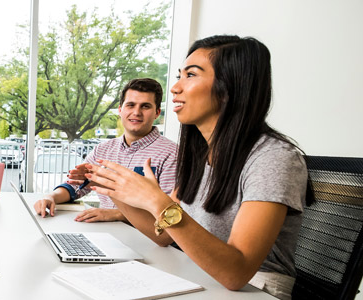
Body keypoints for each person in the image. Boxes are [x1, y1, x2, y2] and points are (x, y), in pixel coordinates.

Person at [84, 35, 311, 299]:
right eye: (180, 75)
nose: (175, 88)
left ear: (229, 88)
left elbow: (237, 273)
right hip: (195, 273)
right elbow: (163, 237)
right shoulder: (200, 155)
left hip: (256, 288)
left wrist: (157, 202)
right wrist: (116, 190)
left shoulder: (274, 157)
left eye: (190, 75)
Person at [33, 78, 178, 223]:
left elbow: (169, 213)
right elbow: (76, 185)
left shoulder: (171, 154)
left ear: (157, 112)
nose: (136, 112)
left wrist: (117, 214)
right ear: (120, 110)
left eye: (145, 106)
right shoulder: (102, 150)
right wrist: (50, 197)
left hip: (148, 240)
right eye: (130, 105)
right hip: (106, 232)